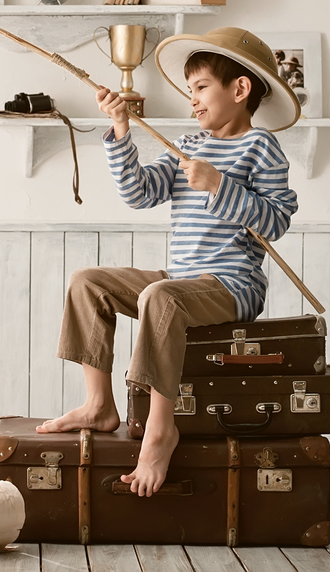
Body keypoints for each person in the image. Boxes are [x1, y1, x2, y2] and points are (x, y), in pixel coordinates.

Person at [36, 27, 301, 498]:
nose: (192, 101)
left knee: (160, 297)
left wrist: (220, 186)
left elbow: (276, 221)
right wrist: (120, 130)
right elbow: (139, 193)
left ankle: (160, 429)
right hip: (180, 282)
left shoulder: (261, 147)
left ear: (239, 90)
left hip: (231, 284)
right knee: (87, 281)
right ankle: (99, 404)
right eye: (190, 90)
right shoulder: (190, 145)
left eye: (201, 89)